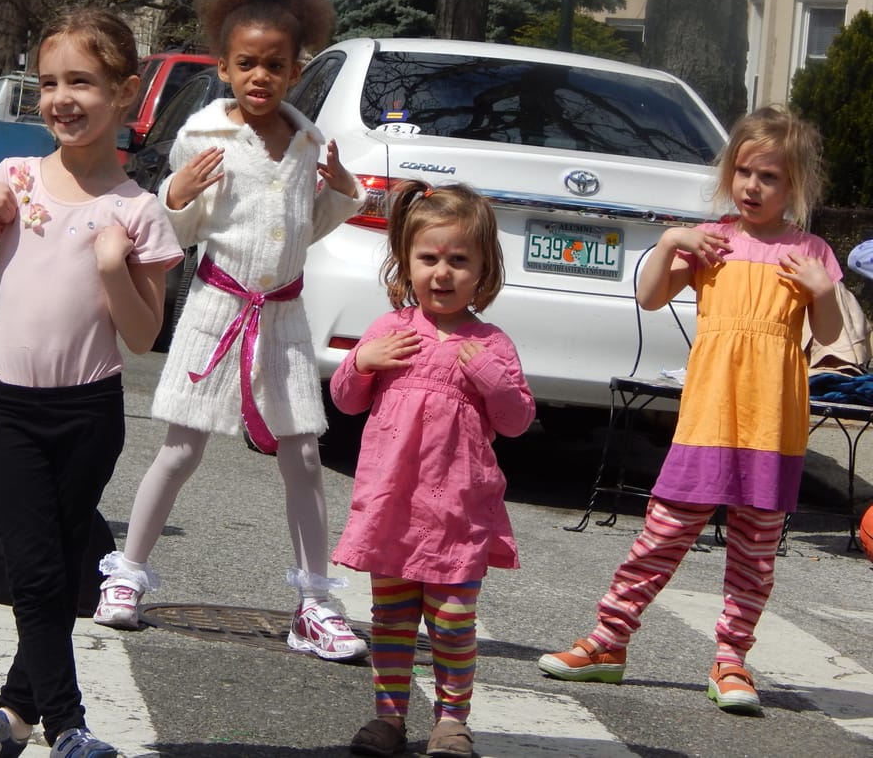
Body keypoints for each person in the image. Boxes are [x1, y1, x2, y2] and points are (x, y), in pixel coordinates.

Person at [93, 0, 370, 662]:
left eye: (275, 65)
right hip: (217, 310)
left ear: (295, 68)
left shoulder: (306, 142)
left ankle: (315, 600)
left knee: (304, 456)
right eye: (246, 63)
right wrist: (177, 194)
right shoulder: (205, 137)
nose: (260, 78)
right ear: (221, 66)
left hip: (281, 320)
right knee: (182, 449)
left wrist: (341, 193)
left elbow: (305, 231)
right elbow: (175, 235)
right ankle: (127, 575)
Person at [0, 8, 182, 758]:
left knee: (50, 567)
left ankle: (13, 721)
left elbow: (140, 338)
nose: (62, 98)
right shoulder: (15, 181)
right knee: (38, 568)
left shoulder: (138, 212)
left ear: (126, 93)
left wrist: (112, 266)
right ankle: (59, 726)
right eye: (49, 82)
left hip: (88, 413)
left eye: (83, 82)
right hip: (13, 410)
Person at [537, 105, 843, 716]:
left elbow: (829, 334)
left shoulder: (811, 253)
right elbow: (651, 297)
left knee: (755, 554)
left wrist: (823, 289)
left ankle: (731, 661)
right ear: (730, 172)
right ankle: (607, 641)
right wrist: (673, 240)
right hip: (707, 421)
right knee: (662, 536)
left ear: (796, 185)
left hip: (772, 431)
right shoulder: (713, 241)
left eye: (770, 177)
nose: (753, 186)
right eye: (744, 172)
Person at [330, 181, 535, 758]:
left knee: (450, 621)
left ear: (483, 270)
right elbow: (347, 402)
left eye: (458, 260)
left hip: (456, 510)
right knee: (392, 620)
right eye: (429, 259)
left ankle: (451, 719)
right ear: (407, 263)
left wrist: (491, 379)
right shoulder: (390, 331)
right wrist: (359, 362)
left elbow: (517, 420)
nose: (442, 273)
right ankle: (390, 717)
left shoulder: (490, 344)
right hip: (393, 505)